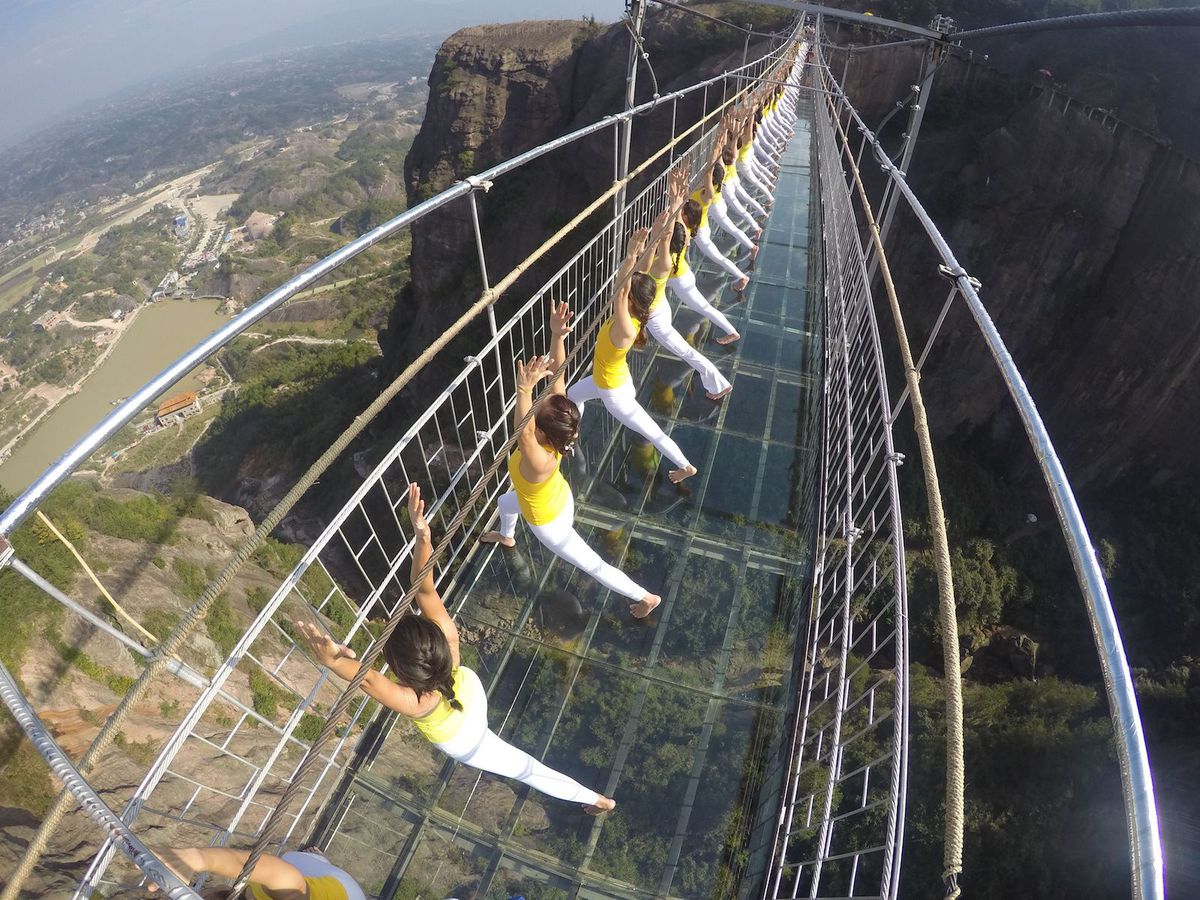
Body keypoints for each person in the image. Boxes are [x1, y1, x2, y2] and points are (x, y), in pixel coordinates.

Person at [298, 484, 618, 811]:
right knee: (527, 768)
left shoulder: (417, 702)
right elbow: (423, 590)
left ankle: (598, 800)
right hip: (467, 688)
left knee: (526, 768)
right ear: (432, 639)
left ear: (400, 670)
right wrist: (423, 537)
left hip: (463, 735)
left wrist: (332, 660)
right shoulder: (448, 641)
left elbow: (369, 680)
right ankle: (597, 799)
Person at [480, 300, 663, 618]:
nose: (536, 406)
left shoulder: (538, 459)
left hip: (549, 522)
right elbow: (559, 377)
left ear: (541, 431)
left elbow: (523, 433)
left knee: (594, 565)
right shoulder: (556, 432)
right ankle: (507, 536)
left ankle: (646, 597)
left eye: (536, 410)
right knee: (504, 503)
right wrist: (556, 335)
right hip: (552, 496)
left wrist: (523, 389)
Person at [567, 223, 699, 489]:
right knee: (573, 395)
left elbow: (620, 290)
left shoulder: (625, 326)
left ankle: (686, 466)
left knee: (650, 430)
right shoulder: (633, 315)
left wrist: (629, 256)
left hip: (614, 392)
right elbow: (633, 281)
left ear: (630, 300)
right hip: (610, 378)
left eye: (627, 294)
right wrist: (641, 252)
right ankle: (572, 433)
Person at [643, 166, 736, 398]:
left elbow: (666, 234)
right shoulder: (681, 237)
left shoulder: (662, 261)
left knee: (686, 351)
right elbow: (676, 221)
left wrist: (658, 229)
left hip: (658, 316)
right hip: (662, 301)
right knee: (704, 310)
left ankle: (719, 383)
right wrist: (676, 193)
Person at [146, 845, 365, 900]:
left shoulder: (251, 893)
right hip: (345, 889)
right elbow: (285, 878)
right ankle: (318, 856)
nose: (201, 890)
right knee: (291, 857)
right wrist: (199, 858)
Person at [689, 142, 752, 289]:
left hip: (700, 231)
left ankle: (742, 276)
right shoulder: (707, 187)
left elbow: (708, 172)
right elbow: (714, 170)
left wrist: (714, 155)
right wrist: (717, 151)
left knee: (718, 257)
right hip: (702, 226)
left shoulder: (708, 194)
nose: (704, 172)